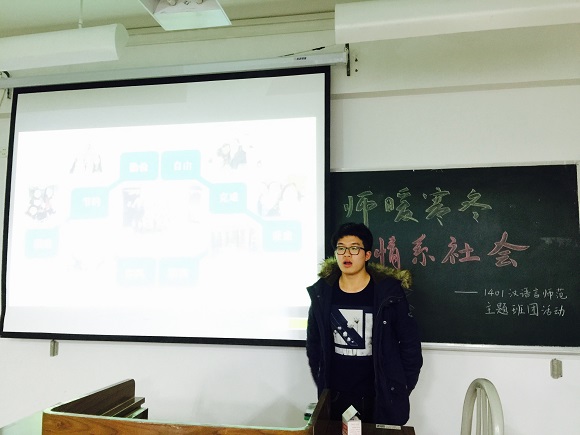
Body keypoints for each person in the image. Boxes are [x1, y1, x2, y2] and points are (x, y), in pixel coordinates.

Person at [306, 222, 422, 425]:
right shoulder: (322, 293)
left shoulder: (388, 294)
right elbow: (314, 345)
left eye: (354, 248)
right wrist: (322, 383)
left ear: (367, 255)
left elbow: (410, 345)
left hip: (379, 397)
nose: (346, 254)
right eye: (341, 248)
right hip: (336, 397)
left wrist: (400, 388)